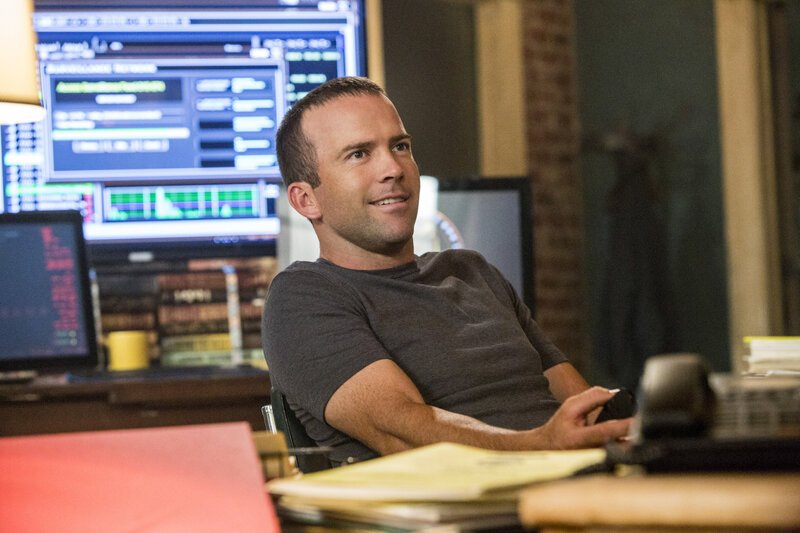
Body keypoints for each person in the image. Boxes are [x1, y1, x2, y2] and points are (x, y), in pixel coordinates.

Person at [262, 76, 631, 466]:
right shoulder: (302, 299)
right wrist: (542, 445)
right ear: (306, 200)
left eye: (400, 146)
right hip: (468, 498)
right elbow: (403, 433)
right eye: (359, 154)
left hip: (579, 480)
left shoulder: (471, 270)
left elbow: (583, 410)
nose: (393, 168)